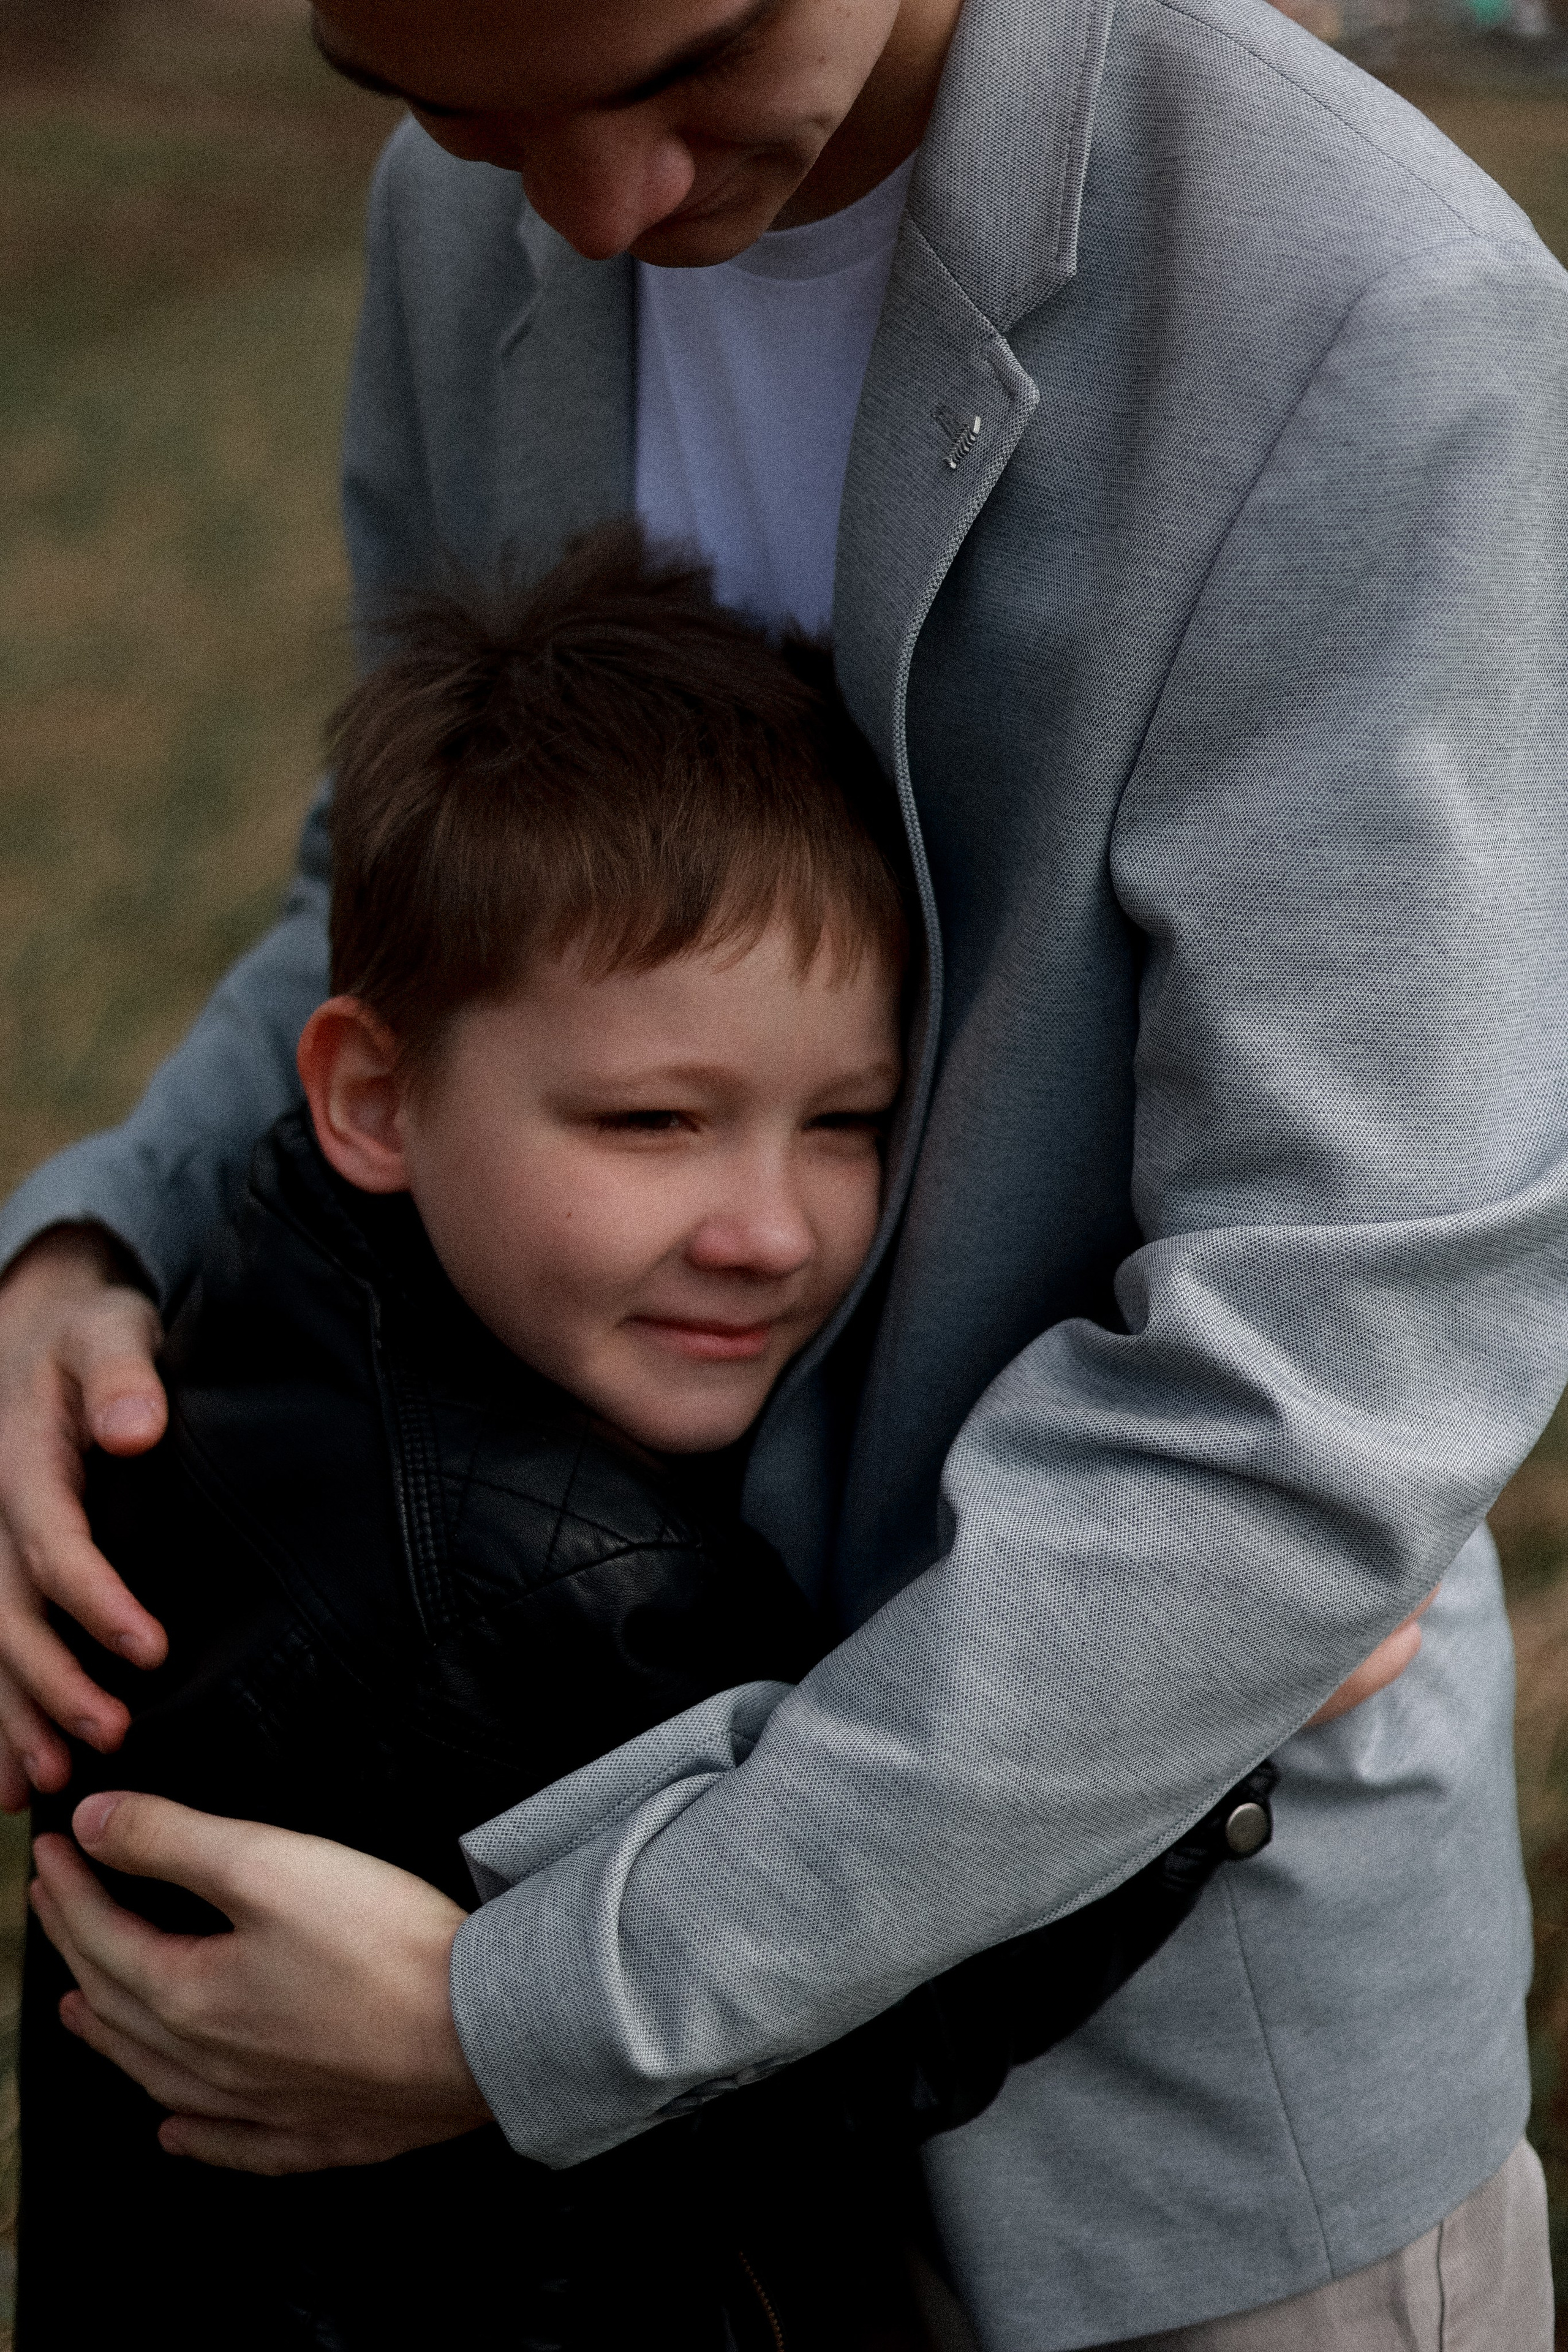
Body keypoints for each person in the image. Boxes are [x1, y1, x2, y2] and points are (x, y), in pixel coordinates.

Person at [9, 0, 1568, 2342]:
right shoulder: (476, 210)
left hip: (1161, 2123)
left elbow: (1328, 1379)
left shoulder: (1376, 310)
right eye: (459, 109)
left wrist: (520, 2017)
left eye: (693, 73)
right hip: (612, 2111)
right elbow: (421, 899)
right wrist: (89, 1232)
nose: (604, 216)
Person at [23, 528, 1279, 2351]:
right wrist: (1205, 1742)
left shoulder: (266, 1296)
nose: (766, 1227)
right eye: (650, 1121)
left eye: (842, 1119)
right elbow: (832, 2033)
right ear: (373, 1094)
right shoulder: (570, 1581)